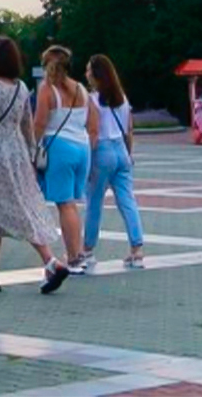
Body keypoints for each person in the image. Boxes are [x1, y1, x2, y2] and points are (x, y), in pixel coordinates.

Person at [0, 37, 67, 294]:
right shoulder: (21, 88)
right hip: (17, 152)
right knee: (22, 205)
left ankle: (41, 263)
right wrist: (31, 154)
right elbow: (27, 125)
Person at [35, 45, 97, 273]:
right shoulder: (81, 89)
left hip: (59, 147)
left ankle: (74, 257)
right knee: (72, 204)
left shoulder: (47, 89)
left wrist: (32, 147)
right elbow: (92, 123)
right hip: (82, 147)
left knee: (65, 204)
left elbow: (40, 123)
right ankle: (78, 252)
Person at [83, 54, 145, 271]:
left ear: (96, 75)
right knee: (127, 200)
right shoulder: (122, 99)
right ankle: (137, 249)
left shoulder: (91, 100)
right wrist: (129, 154)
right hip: (121, 150)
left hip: (102, 150)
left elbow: (92, 132)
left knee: (94, 202)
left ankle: (87, 249)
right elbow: (129, 130)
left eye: (89, 70)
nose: (86, 74)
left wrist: (88, 161)